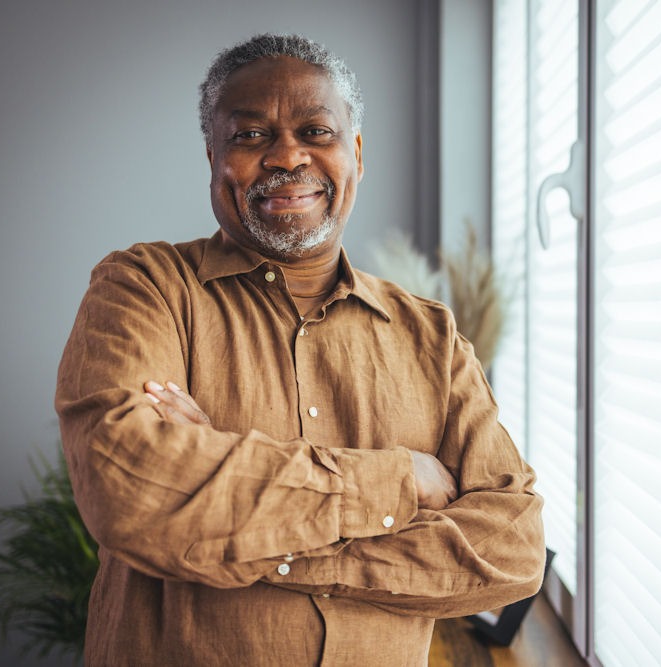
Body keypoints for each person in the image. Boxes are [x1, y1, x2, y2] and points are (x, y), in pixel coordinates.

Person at [56, 33, 545, 666]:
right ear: (213, 154)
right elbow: (129, 491)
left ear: (357, 154)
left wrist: (246, 533)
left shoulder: (432, 336)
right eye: (250, 135)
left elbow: (512, 550)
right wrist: (401, 482)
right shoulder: (144, 287)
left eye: (316, 131)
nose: (287, 156)